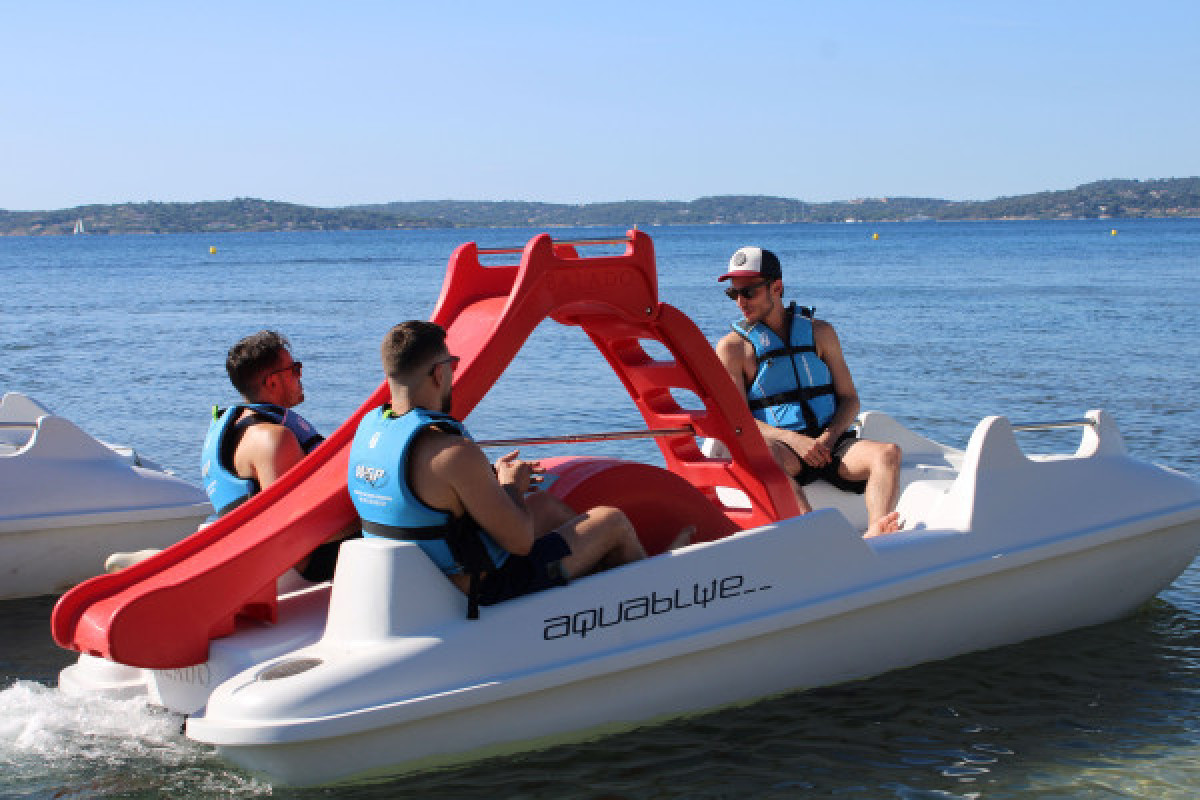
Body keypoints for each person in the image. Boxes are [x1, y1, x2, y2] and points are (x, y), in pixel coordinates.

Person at [347, 320, 651, 616]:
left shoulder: (368, 432)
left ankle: (596, 590)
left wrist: (486, 479)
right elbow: (520, 543)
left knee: (545, 506)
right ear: (439, 373)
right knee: (612, 522)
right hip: (477, 587)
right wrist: (510, 486)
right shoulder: (452, 452)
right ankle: (649, 607)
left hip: (415, 579)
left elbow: (425, 499)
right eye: (452, 364)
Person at [714, 247, 902, 537]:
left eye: (748, 292)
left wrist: (828, 438)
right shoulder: (733, 349)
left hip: (830, 443)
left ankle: (877, 531)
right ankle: (814, 535)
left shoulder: (820, 333)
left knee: (888, 454)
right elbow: (737, 420)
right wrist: (795, 440)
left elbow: (850, 399)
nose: (740, 302)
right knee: (765, 454)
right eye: (733, 294)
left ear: (776, 288)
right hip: (783, 448)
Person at [198, 330, 357, 582]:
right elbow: (290, 532)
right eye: (295, 369)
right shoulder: (273, 439)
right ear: (272, 382)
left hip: (259, 551)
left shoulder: (240, 426)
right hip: (302, 564)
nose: (300, 376)